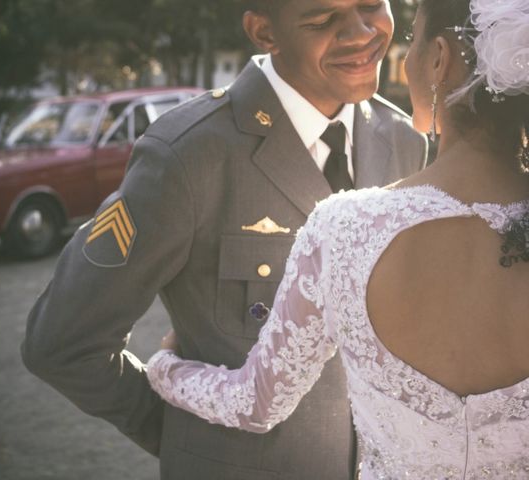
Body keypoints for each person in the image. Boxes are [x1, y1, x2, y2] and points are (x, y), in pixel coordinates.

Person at [22, 0, 427, 478]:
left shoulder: (403, 140)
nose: (361, 32)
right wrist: (181, 432)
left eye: (370, 4)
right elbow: (63, 343)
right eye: (322, 19)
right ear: (263, 31)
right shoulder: (187, 155)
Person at [146, 0, 529, 478]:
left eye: (411, 41)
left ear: (438, 59)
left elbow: (255, 404)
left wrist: (166, 369)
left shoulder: (346, 229)